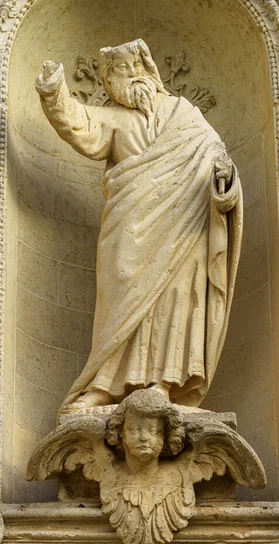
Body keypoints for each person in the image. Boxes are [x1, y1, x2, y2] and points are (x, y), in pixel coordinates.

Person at [35, 39, 243, 417]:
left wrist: (225, 186)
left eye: (134, 69)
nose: (129, 79)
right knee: (121, 298)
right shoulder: (114, 120)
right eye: (118, 74)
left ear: (150, 71)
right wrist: (54, 90)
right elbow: (77, 123)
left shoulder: (187, 116)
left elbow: (219, 166)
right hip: (129, 228)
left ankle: (163, 384)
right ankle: (102, 385)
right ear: (109, 84)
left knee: (175, 301)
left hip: (185, 230)